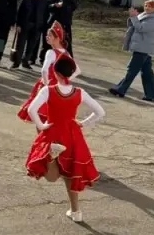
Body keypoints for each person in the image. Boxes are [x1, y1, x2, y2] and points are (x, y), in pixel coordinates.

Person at [24, 56, 104, 222]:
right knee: (71, 173)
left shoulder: (49, 90)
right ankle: (76, 212)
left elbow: (32, 109)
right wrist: (83, 123)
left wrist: (42, 125)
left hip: (53, 131)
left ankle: (52, 157)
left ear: (55, 71)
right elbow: (100, 112)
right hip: (72, 134)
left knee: (50, 175)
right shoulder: (80, 93)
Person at [17, 22, 73, 124]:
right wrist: (66, 80)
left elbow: (44, 70)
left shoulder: (51, 53)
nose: (46, 37)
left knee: (40, 113)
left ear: (57, 38)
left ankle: (45, 137)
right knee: (54, 114)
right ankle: (49, 137)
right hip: (61, 87)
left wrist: (46, 84)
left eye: (49, 35)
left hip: (50, 84)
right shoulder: (66, 53)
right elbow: (75, 70)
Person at [109, 0, 154, 102]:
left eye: (150, 6)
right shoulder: (146, 15)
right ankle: (152, 95)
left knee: (132, 69)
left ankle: (120, 89)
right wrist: (134, 17)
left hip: (143, 48)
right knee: (147, 72)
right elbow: (134, 25)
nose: (147, 8)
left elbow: (140, 28)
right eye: (146, 5)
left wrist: (134, 17)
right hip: (142, 47)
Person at [11, 0, 47, 70]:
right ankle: (16, 63)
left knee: (31, 46)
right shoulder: (26, 0)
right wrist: (18, 25)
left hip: (37, 27)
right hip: (24, 25)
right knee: (20, 45)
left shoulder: (44, 2)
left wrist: (43, 27)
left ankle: (25, 62)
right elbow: (19, 13)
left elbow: (45, 15)